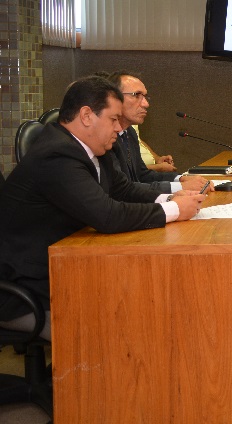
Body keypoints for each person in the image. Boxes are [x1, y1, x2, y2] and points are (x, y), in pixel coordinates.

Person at [0, 76, 207, 340]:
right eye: (113, 119)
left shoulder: (93, 148)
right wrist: (175, 211)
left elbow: (124, 190)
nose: (119, 128)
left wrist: (173, 199)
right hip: (30, 290)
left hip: (68, 272)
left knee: (144, 304)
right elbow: (107, 215)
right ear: (87, 115)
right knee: (120, 332)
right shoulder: (56, 154)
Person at [106, 70, 209, 193]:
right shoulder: (105, 138)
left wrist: (181, 179)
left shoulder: (130, 132)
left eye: (145, 97)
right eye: (136, 95)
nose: (146, 104)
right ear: (113, 98)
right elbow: (122, 189)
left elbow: (142, 175)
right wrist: (180, 188)